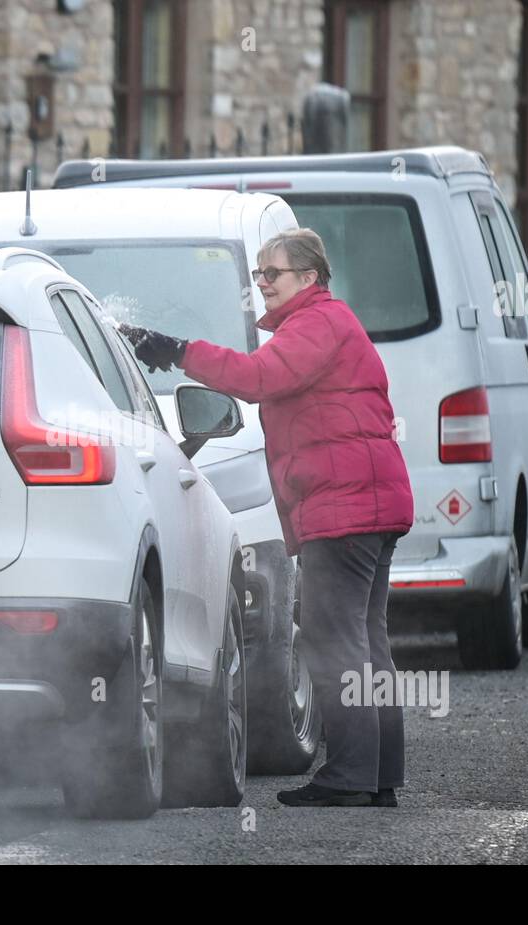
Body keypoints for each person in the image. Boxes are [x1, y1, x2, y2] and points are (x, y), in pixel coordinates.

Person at [119, 227, 414, 808]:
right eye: (258, 273)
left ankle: (352, 775)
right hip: (368, 503)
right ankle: (378, 775)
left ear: (309, 279)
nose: (262, 283)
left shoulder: (318, 325)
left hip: (346, 507)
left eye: (272, 273)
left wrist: (177, 351)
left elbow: (256, 380)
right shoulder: (330, 324)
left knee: (336, 639)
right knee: (366, 640)